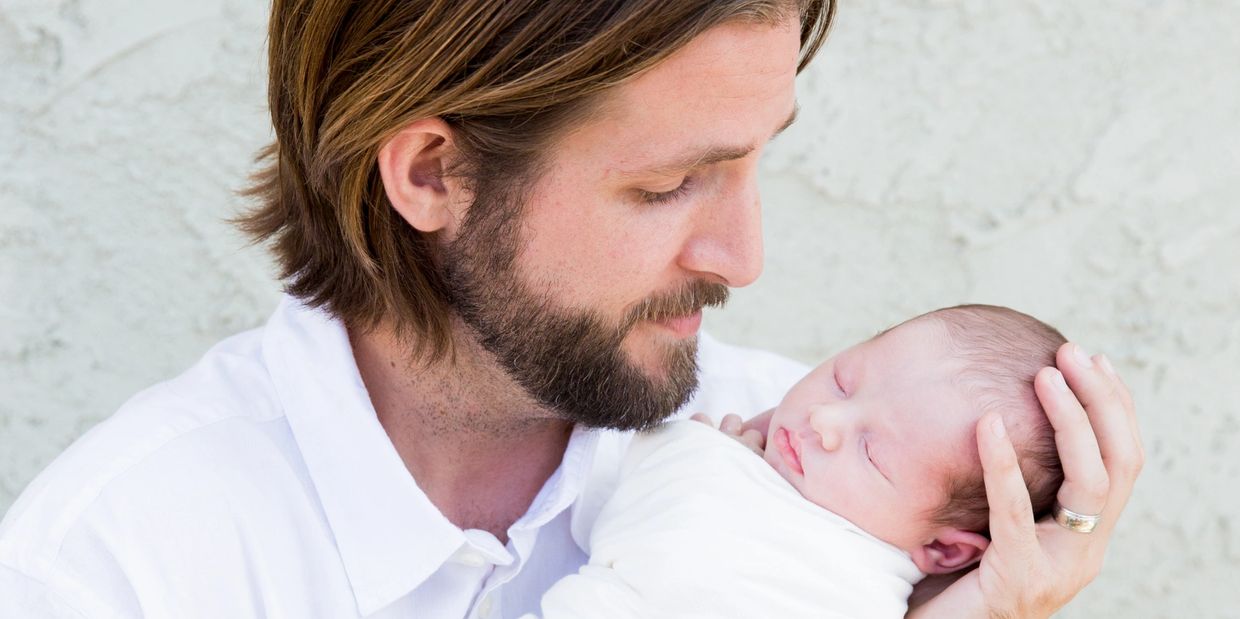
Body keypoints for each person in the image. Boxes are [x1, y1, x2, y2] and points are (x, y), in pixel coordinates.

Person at [0, 1, 1142, 618]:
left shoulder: (825, 487)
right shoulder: (114, 570)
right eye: (665, 185)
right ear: (432, 176)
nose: (743, 256)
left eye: (754, 165)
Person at [531, 305, 1070, 618]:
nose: (826, 421)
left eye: (871, 452)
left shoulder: (870, 589)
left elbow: (658, 495)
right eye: (842, 379)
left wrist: (702, 457)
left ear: (944, 549)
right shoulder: (736, 405)